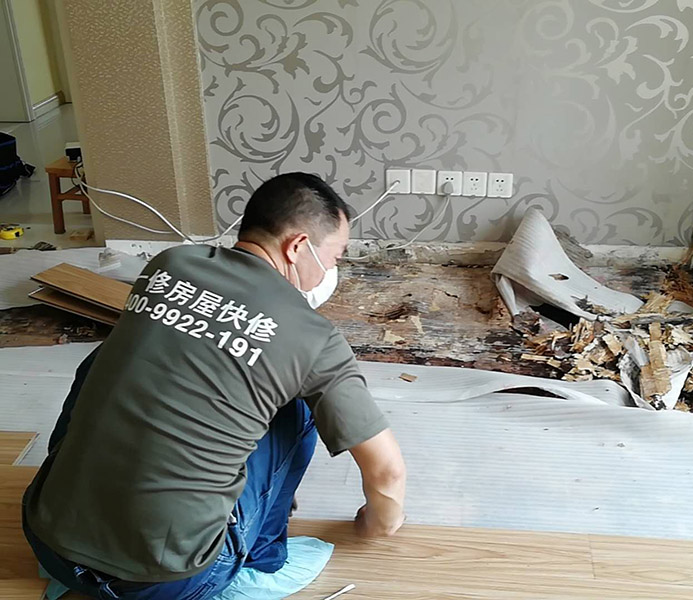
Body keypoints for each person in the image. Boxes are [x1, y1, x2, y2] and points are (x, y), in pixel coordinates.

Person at [22, 173, 407, 599]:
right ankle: (262, 562)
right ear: (298, 246)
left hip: (48, 541)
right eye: (335, 256)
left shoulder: (170, 264)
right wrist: (377, 523)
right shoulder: (312, 337)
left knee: (110, 358)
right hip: (170, 581)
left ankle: (72, 514)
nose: (332, 270)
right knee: (298, 409)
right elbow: (386, 471)